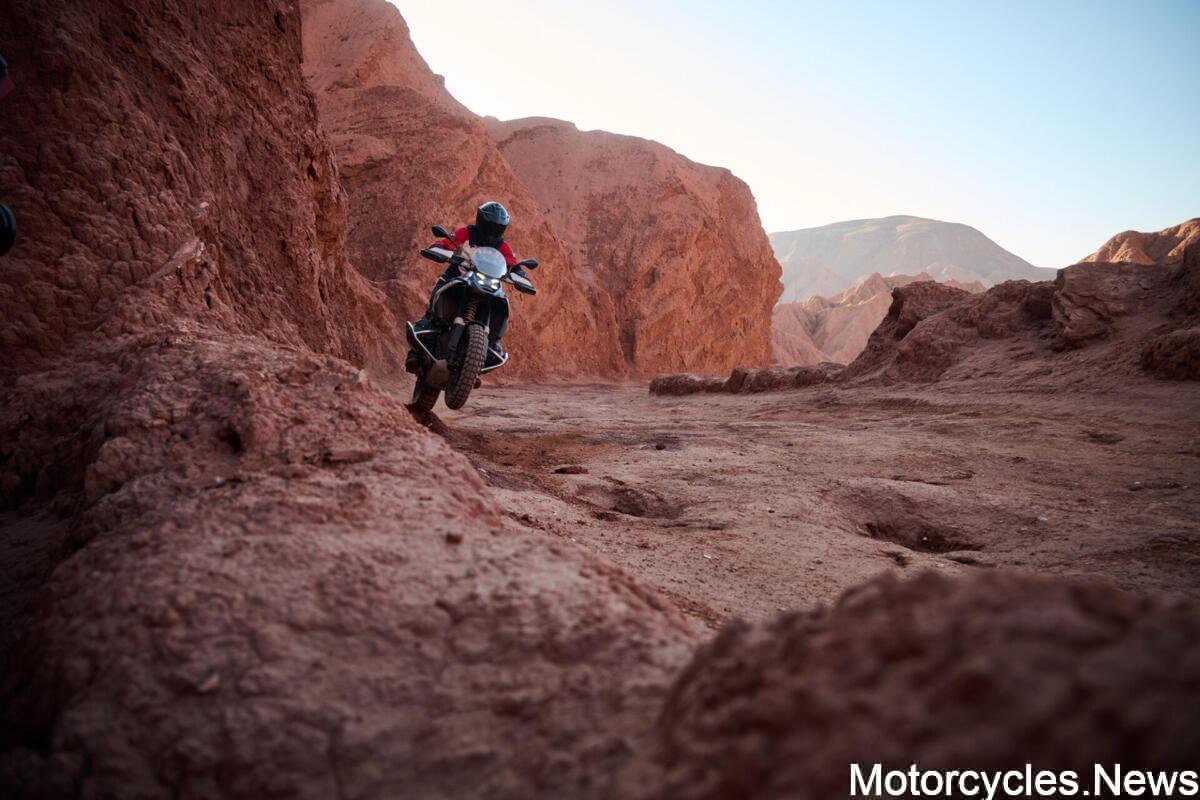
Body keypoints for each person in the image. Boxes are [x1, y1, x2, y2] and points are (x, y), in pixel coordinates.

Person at [406, 201, 527, 372]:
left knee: (500, 303)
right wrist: (440, 248)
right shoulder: (467, 233)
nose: (492, 231)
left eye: (497, 228)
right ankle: (417, 350)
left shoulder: (502, 246)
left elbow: (513, 264)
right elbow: (450, 241)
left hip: (488, 283)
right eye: (490, 226)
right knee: (436, 301)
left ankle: (491, 344)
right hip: (457, 275)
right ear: (481, 221)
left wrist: (521, 276)